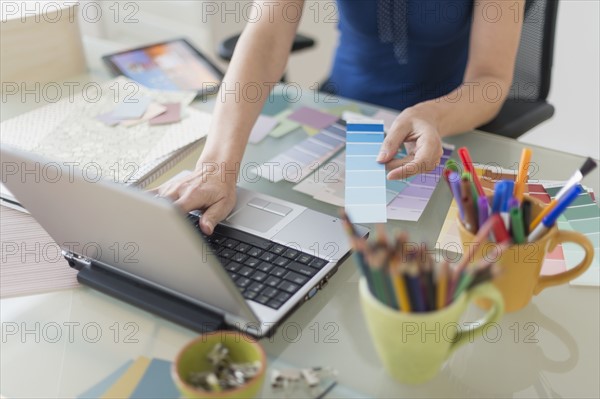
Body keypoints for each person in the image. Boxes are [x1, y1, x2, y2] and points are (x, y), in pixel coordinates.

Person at [153, 0, 525, 235]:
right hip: (340, 111)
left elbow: (490, 81)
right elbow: (267, 31)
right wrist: (216, 167)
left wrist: (432, 115)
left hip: (444, 121)